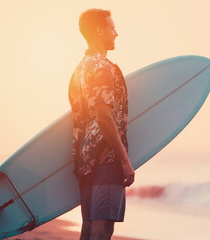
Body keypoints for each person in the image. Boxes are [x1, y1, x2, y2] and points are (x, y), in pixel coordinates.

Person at [68, 8, 135, 240]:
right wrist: (125, 162)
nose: (116, 33)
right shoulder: (103, 68)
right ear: (99, 30)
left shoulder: (80, 70)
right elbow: (104, 117)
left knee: (88, 228)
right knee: (102, 230)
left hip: (86, 161)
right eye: (112, 27)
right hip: (107, 160)